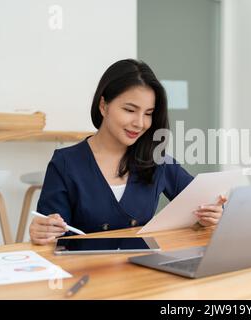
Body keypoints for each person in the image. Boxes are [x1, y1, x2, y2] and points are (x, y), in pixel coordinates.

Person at [29, 59, 226, 245]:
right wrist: (42, 231)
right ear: (103, 106)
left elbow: (204, 203)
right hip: (87, 274)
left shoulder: (158, 161)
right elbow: (50, 234)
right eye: (130, 110)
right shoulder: (65, 163)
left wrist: (213, 214)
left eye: (148, 113)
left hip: (143, 274)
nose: (140, 123)